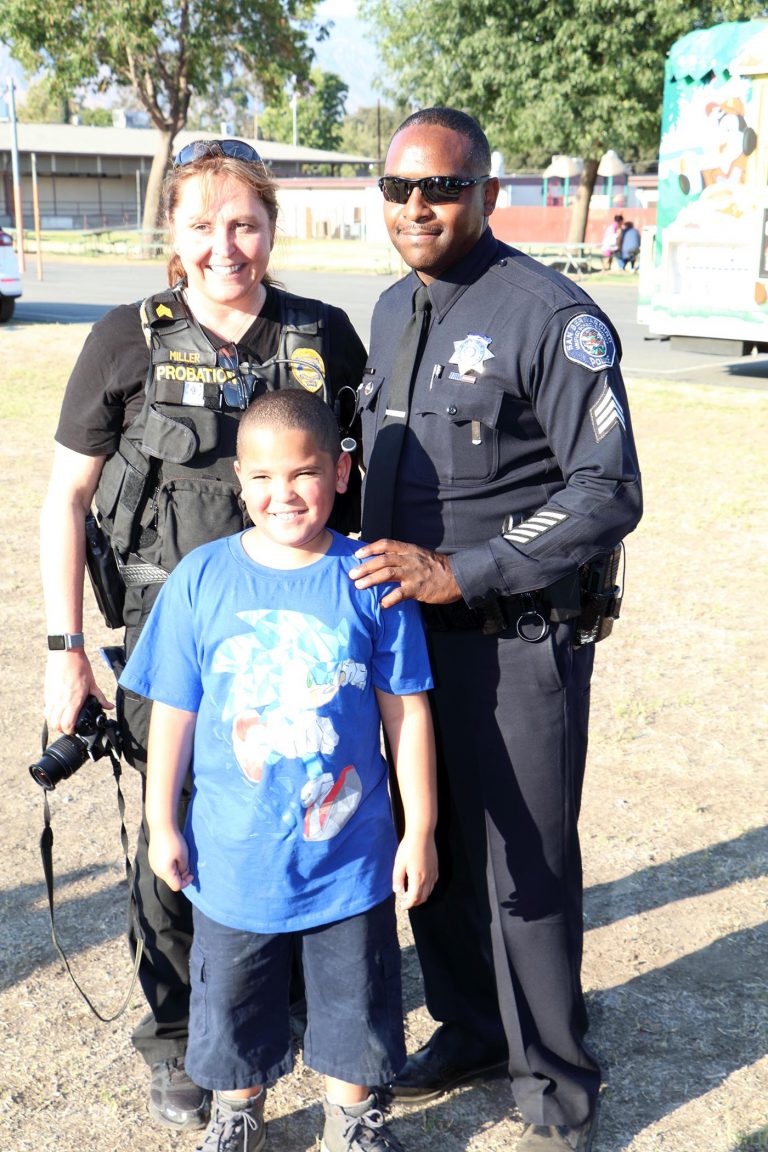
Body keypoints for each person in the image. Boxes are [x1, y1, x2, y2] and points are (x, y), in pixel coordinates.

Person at [39, 138, 367, 1130]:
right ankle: (182, 1038)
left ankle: (293, 1007)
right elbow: (66, 499)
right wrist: (66, 652)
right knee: (175, 841)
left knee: (305, 816)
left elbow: (365, 487)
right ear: (170, 236)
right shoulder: (121, 340)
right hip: (167, 652)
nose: (226, 246)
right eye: (202, 226)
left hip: (302, 650)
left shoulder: (326, 335)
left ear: (270, 225)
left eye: (245, 223)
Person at [348, 108, 643, 1152]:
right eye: (398, 189)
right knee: (430, 852)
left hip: (518, 638)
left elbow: (607, 491)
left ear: (487, 193)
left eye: (442, 188)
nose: (416, 207)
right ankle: (470, 1028)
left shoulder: (549, 314)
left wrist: (458, 570)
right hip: (407, 650)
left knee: (524, 865)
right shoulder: (389, 309)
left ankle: (556, 1083)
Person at [119, 388, 438, 1152]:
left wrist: (419, 829)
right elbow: (174, 711)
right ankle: (237, 1109)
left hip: (349, 850)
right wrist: (163, 821)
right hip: (233, 854)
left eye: (302, 473)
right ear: (238, 478)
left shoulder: (370, 576)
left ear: (340, 471)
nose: (281, 493)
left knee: (355, 994)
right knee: (231, 994)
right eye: (262, 477)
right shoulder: (201, 577)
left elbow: (408, 713)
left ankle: (353, 1117)